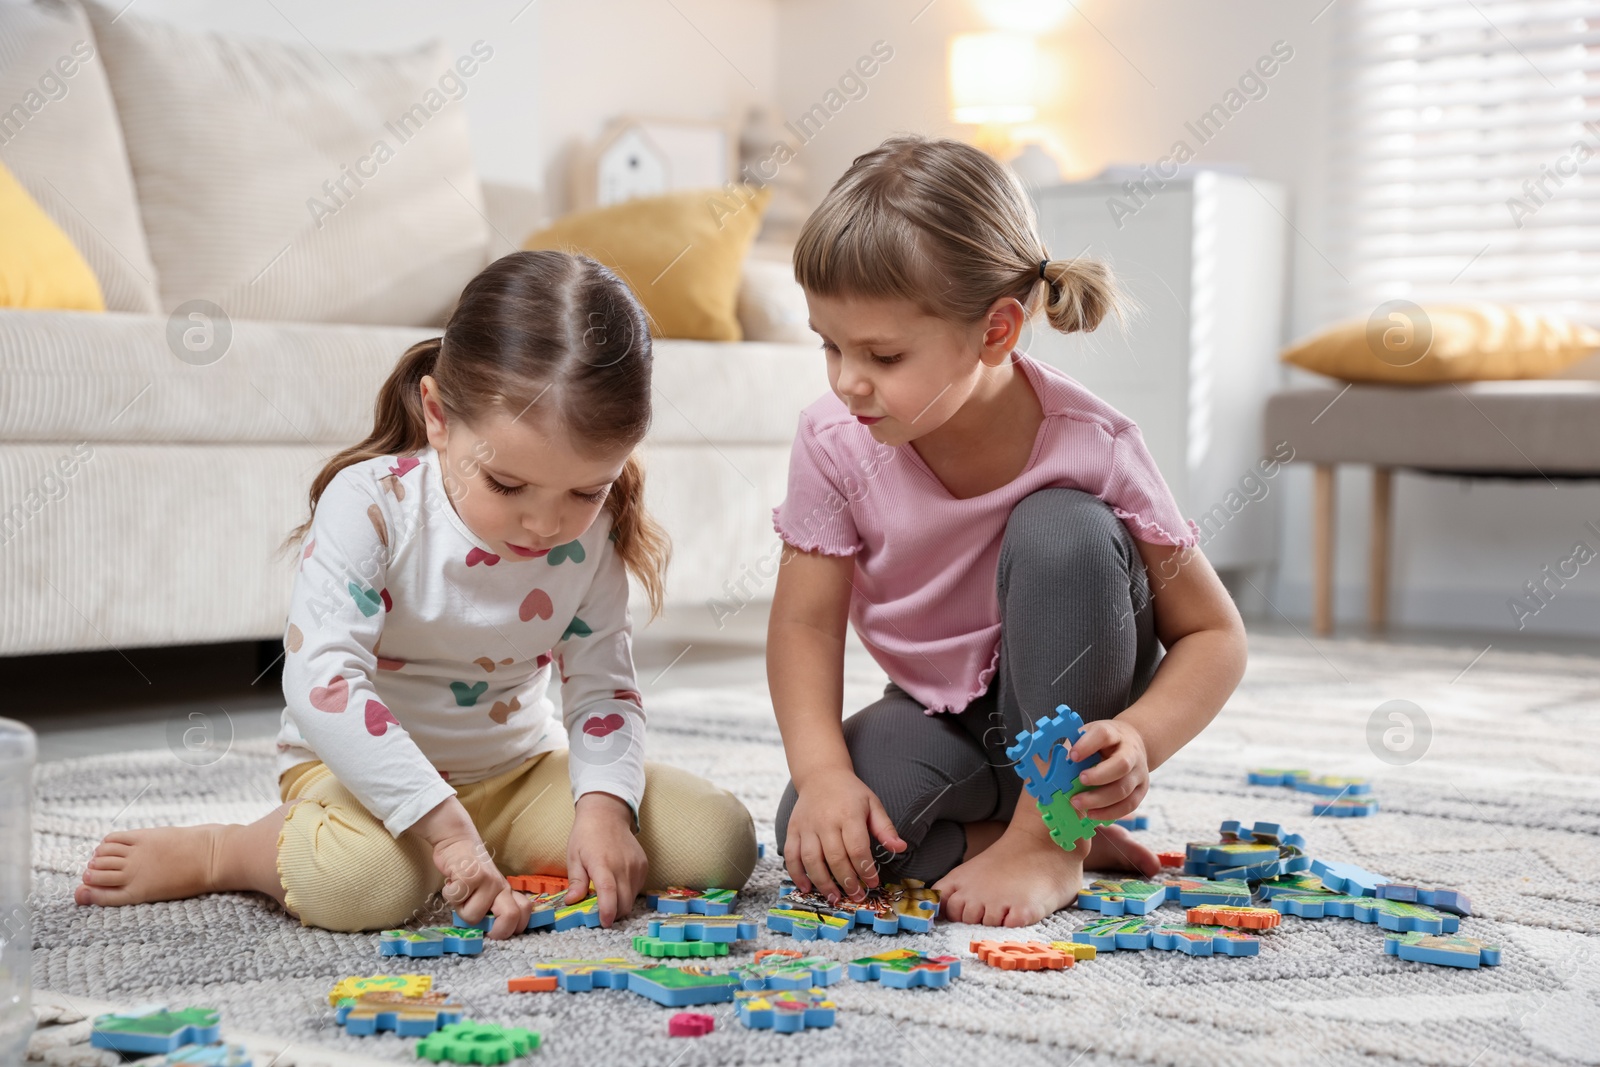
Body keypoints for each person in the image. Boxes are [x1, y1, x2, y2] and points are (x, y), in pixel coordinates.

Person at [76, 250, 756, 934]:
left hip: (516, 773)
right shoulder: (372, 506)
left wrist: (603, 810)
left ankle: (481, 846)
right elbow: (323, 683)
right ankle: (227, 849)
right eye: (508, 485)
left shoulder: (595, 533)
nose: (546, 523)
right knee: (359, 885)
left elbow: (603, 690)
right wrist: (445, 829)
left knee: (718, 840)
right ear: (437, 415)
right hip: (358, 777)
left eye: (586, 489)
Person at [769, 136, 1248, 926]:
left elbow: (1215, 634)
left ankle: (1051, 837)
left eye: (883, 354)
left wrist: (1137, 737)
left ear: (996, 331)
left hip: (1073, 704)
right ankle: (1021, 835)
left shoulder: (1094, 441)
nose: (848, 380)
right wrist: (823, 773)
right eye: (830, 344)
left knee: (1063, 527)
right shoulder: (832, 440)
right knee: (820, 841)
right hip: (935, 718)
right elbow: (803, 622)